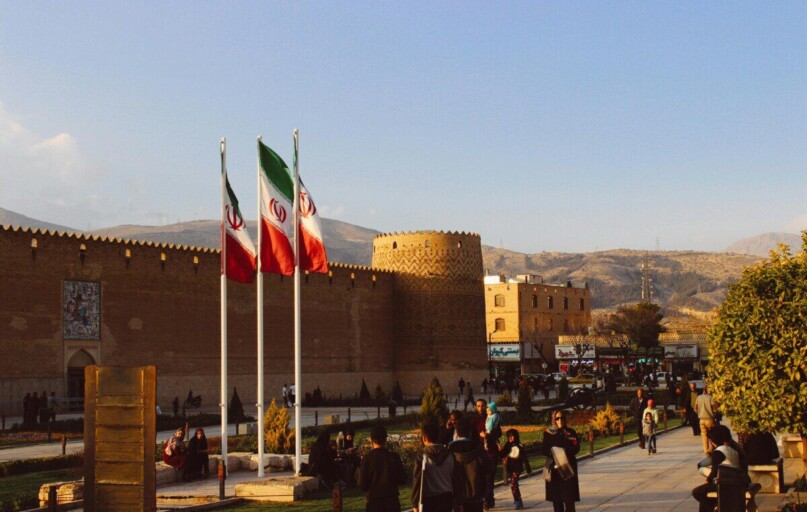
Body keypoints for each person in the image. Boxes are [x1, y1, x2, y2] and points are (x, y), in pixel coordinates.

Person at [692, 425, 749, 512]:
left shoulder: (718, 452)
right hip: (735, 480)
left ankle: (713, 507)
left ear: (712, 440)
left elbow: (714, 473)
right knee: (705, 493)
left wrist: (708, 480)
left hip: (726, 483)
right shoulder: (730, 449)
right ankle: (712, 506)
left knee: (697, 492)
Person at [449, 417, 495, 512]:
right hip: (477, 493)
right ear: (470, 432)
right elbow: (490, 467)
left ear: (457, 433)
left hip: (457, 494)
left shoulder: (450, 450)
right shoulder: (478, 448)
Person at [357, 425, 405, 511]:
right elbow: (402, 479)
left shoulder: (367, 459)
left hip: (374, 502)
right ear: (385, 439)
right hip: (392, 501)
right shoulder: (394, 457)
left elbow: (362, 485)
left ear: (371, 441)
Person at [543, 410, 580, 512]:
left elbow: (576, 447)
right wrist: (554, 453)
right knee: (557, 500)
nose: (560, 420)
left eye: (562, 418)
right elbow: (544, 449)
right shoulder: (548, 432)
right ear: (553, 419)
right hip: (555, 470)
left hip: (568, 468)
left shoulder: (570, 432)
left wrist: (563, 452)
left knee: (569, 499)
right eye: (557, 418)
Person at [412, 423, 454, 512]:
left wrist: (415, 503)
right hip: (447, 497)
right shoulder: (449, 454)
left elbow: (417, 479)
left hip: (429, 499)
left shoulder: (422, 456)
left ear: (424, 438)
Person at [501, 428, 532, 509]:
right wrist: (498, 450)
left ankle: (518, 501)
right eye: (509, 436)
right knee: (514, 485)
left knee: (513, 483)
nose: (510, 438)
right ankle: (517, 500)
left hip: (517, 468)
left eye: (512, 436)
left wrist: (528, 468)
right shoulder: (507, 445)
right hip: (510, 467)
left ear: (516, 437)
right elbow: (502, 454)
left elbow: (524, 458)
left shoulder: (519, 446)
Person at [481, 402, 502, 509]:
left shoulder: (494, 418)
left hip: (491, 451)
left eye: (483, 406)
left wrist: (488, 435)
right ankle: (487, 499)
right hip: (480, 452)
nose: (482, 409)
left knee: (489, 477)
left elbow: (498, 432)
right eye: (478, 406)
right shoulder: (479, 419)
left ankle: (488, 500)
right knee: (484, 478)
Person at [695, 385, 718, 454]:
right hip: (709, 419)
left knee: (704, 435)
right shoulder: (711, 398)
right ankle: (715, 447)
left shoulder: (698, 397)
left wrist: (699, 413)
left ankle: (706, 450)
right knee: (712, 434)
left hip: (701, 419)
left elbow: (695, 408)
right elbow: (714, 409)